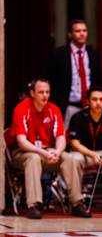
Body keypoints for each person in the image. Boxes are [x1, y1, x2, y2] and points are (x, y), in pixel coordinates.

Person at [10, 78, 91, 219]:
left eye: (47, 92)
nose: (45, 95)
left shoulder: (54, 109)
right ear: (32, 93)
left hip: (48, 152)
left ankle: (77, 203)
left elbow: (60, 137)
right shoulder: (21, 109)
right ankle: (34, 205)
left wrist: (58, 152)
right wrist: (43, 152)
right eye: (41, 92)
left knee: (69, 158)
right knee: (33, 158)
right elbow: (21, 141)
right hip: (23, 153)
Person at [47, 19, 101, 127]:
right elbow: (52, 80)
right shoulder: (59, 54)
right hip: (68, 106)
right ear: (70, 34)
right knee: (66, 139)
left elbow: (98, 80)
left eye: (84, 31)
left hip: (90, 106)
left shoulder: (93, 54)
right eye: (78, 31)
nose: (82, 34)